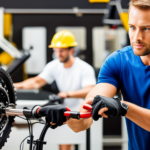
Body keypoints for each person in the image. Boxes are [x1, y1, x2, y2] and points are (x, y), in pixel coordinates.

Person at [65, 1, 150, 150]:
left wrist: (123, 107)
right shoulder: (118, 62)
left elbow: (122, 107)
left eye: (146, 29)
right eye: (132, 27)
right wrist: (66, 116)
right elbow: (82, 122)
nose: (137, 37)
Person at [14, 30, 96, 150]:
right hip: (62, 111)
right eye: (56, 50)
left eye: (61, 50)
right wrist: (14, 85)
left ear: (71, 50)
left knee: (65, 143)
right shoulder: (54, 66)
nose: (58, 54)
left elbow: (90, 90)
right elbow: (37, 82)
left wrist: (66, 94)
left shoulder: (84, 68)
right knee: (61, 142)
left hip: (78, 112)